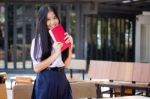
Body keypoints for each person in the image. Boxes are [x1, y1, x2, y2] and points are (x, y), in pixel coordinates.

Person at [30, 5, 73, 99]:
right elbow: (36, 68)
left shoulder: (62, 37)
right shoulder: (38, 41)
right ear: (42, 22)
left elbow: (66, 64)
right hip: (46, 80)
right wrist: (55, 54)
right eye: (48, 19)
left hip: (61, 78)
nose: (52, 22)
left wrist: (70, 46)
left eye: (54, 18)